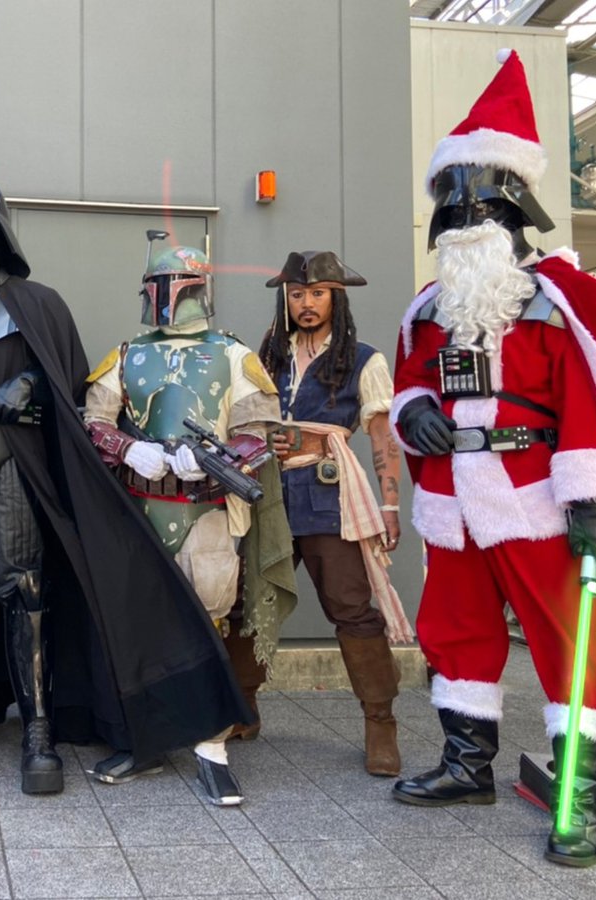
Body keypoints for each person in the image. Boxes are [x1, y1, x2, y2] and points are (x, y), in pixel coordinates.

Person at [0, 179, 252, 796]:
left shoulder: (39, 306)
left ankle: (37, 727)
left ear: (0, 229)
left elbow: (67, 389)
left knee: (25, 587)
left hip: (12, 463)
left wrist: (32, 383)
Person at [390, 50, 596, 868]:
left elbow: (591, 398)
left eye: (477, 198)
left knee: (563, 640)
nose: (463, 215)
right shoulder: (430, 308)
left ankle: (579, 796)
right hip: (456, 497)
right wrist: (416, 413)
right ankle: (466, 764)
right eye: (451, 201)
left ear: (514, 201)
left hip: (539, 492)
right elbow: (410, 381)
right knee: (454, 629)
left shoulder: (569, 297)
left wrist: (592, 497)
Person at [83, 240, 296, 805]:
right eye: (156, 284)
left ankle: (212, 747)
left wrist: (214, 460)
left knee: (209, 621)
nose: (163, 295)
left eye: (172, 284)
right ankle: (147, 739)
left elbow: (260, 430)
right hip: (141, 510)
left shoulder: (233, 354)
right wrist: (128, 449)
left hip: (208, 510)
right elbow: (94, 420)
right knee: (142, 627)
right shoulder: (126, 354)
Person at [258, 250, 412, 778]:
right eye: (298, 294)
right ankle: (241, 707)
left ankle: (380, 723)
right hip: (268, 495)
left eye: (318, 293)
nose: (307, 303)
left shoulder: (364, 360)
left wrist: (389, 505)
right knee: (250, 603)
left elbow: (382, 436)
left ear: (336, 298)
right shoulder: (267, 358)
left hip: (329, 496)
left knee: (352, 609)